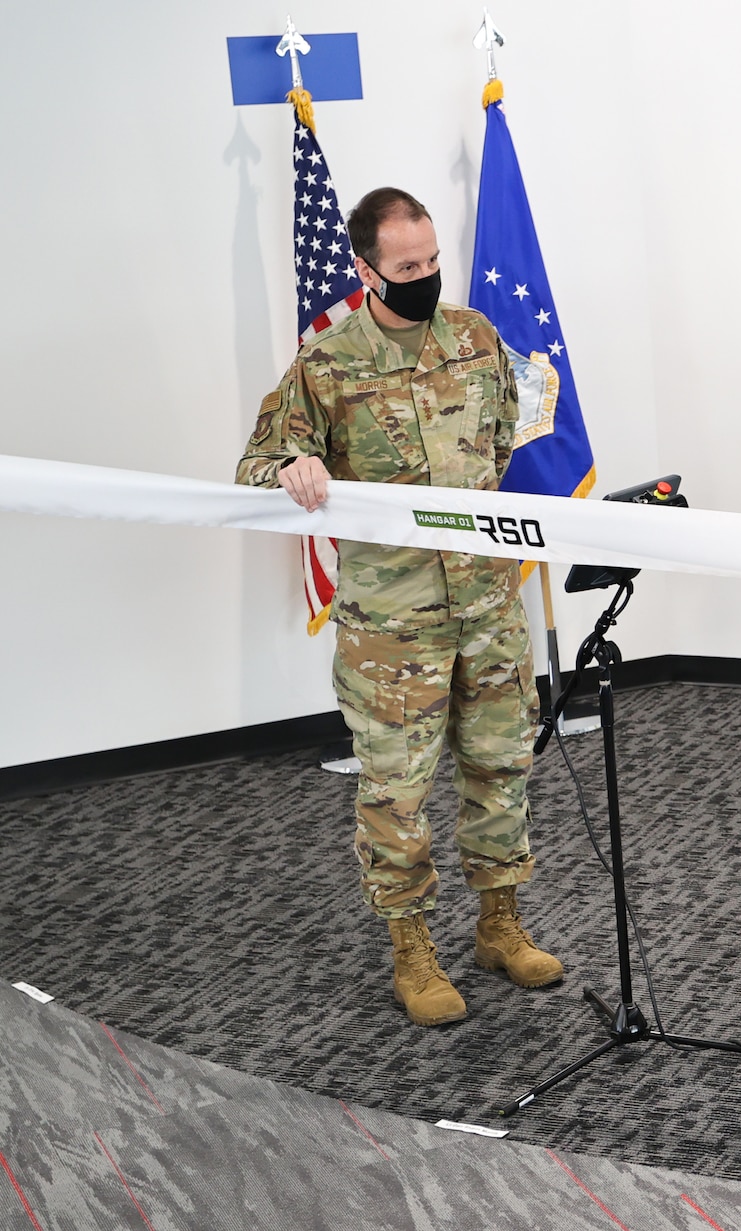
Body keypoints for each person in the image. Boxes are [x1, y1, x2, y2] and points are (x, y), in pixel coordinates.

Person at [236, 187, 564, 1026]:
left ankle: (499, 923)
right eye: (406, 267)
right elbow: (262, 459)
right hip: (394, 627)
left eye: (431, 261)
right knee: (397, 792)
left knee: (501, 767)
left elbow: (497, 446)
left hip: (487, 605)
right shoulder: (328, 363)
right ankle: (411, 947)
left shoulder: (475, 337)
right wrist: (293, 467)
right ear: (366, 269)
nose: (423, 277)